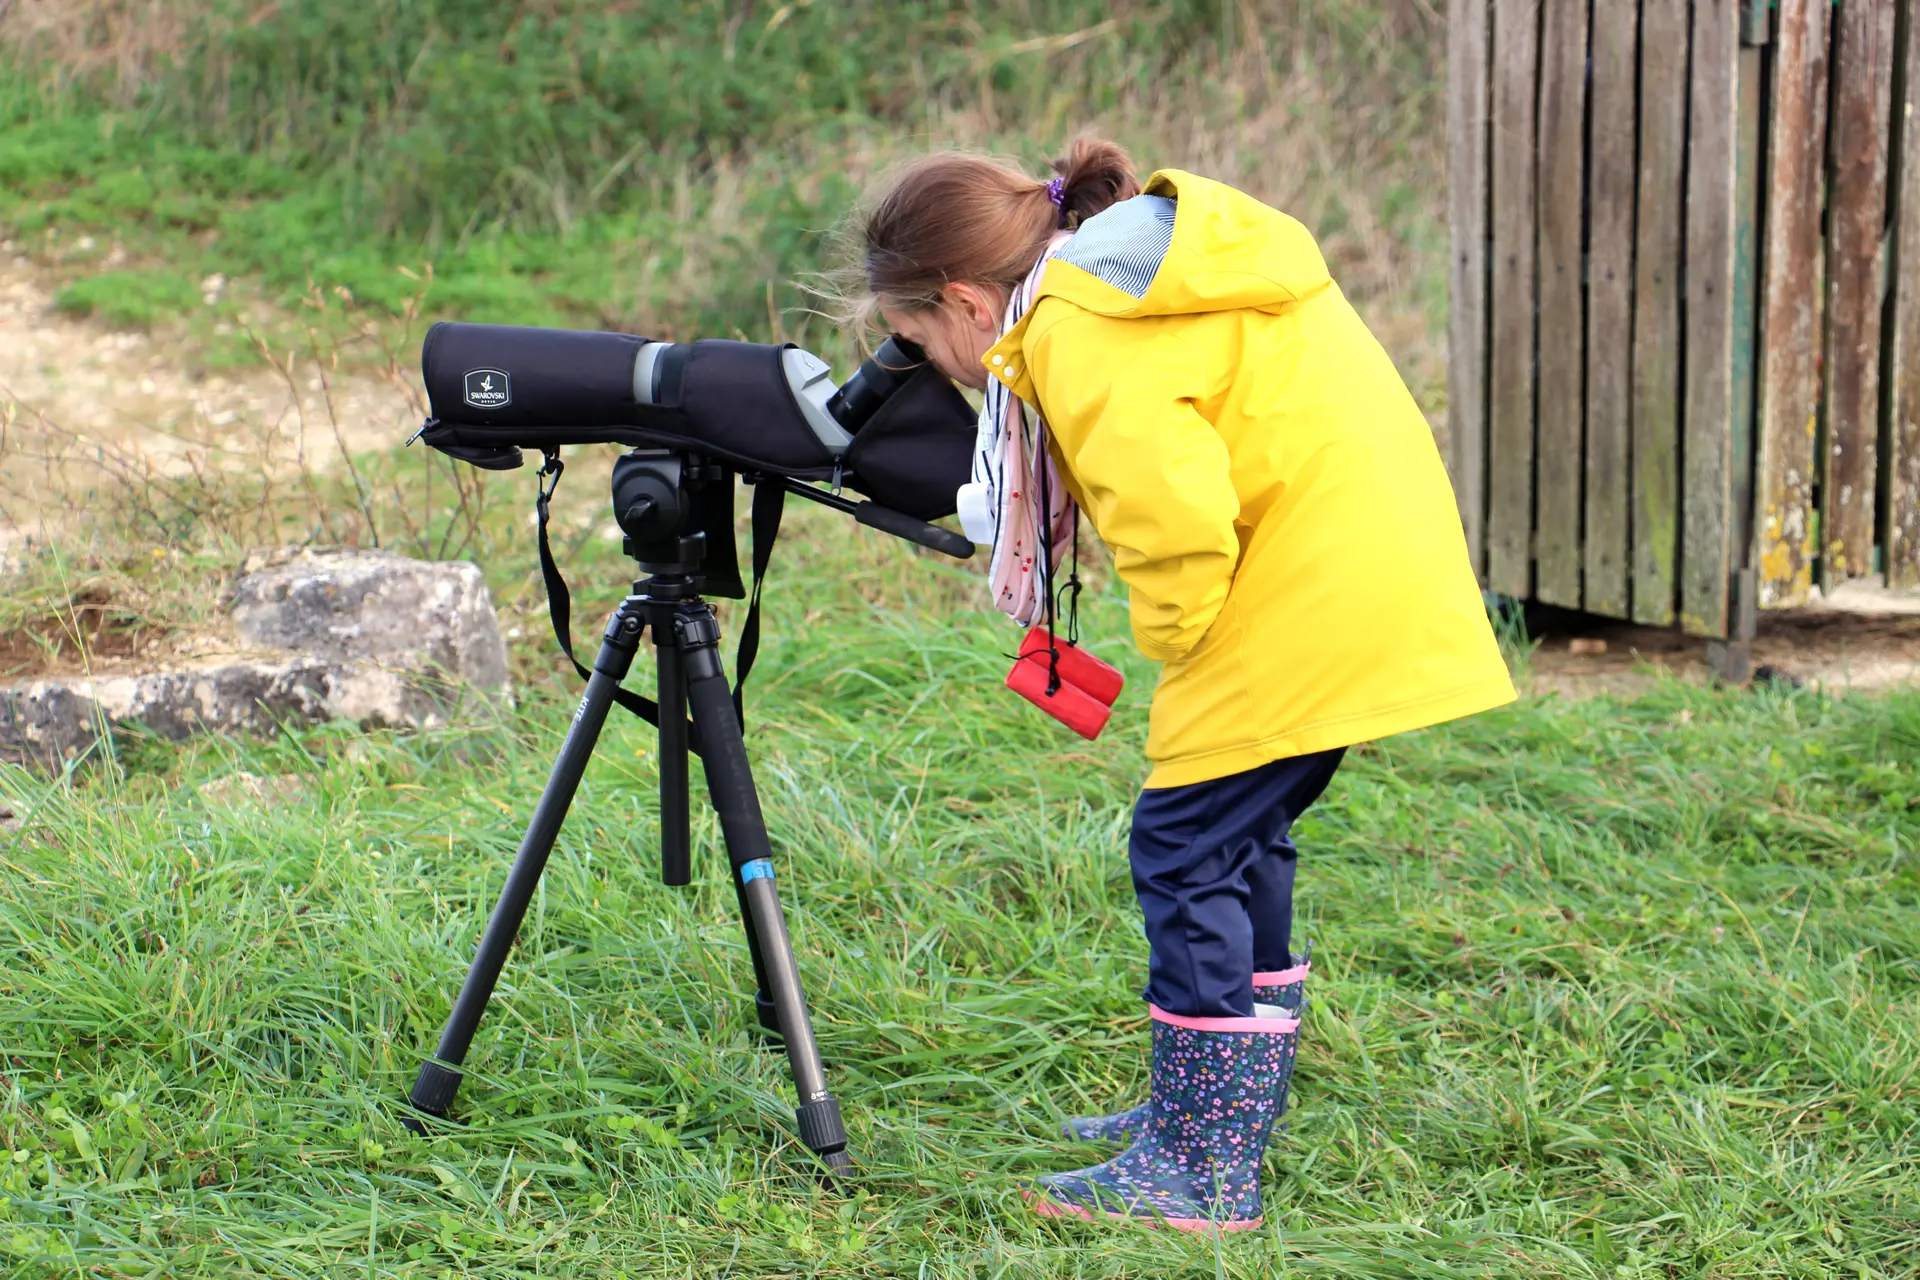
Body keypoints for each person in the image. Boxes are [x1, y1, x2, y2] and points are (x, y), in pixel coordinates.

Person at [853, 139, 1515, 1231]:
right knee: (1239, 833)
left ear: (967, 301)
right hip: (1357, 562)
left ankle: (1200, 1169)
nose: (936, 367)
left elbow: (1175, 516)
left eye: (920, 341)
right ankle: (1213, 1111)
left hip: (1302, 587)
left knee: (1185, 843)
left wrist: (1178, 646)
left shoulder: (1077, 323)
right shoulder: (1143, 270)